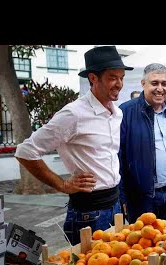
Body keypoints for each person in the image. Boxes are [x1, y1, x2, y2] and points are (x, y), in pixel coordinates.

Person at [15, 46, 133, 245]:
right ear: (93, 78)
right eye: (113, 77)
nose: (119, 84)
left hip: (114, 205)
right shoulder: (74, 114)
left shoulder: (117, 113)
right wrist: (62, 184)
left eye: (121, 77)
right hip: (88, 213)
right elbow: (25, 151)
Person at [118, 63, 166, 226]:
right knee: (144, 247)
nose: (160, 88)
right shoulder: (126, 113)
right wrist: (122, 197)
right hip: (141, 197)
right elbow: (118, 158)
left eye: (164, 84)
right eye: (154, 83)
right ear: (143, 84)